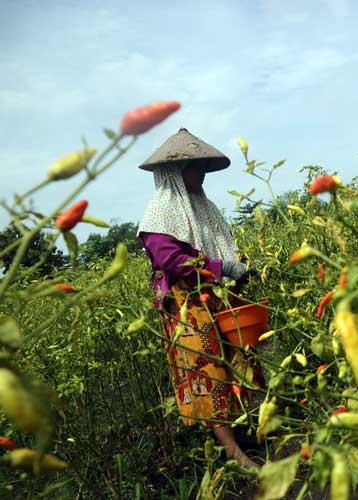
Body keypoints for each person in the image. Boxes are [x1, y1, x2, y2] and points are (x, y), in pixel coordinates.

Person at [136, 128, 258, 469]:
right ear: (175, 173)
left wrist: (239, 267)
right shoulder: (159, 216)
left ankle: (238, 430)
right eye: (195, 167)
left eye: (203, 166)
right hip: (186, 306)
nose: (201, 173)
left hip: (212, 297)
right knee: (208, 370)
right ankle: (231, 448)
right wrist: (224, 268)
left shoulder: (201, 208)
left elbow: (218, 244)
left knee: (235, 360)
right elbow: (173, 262)